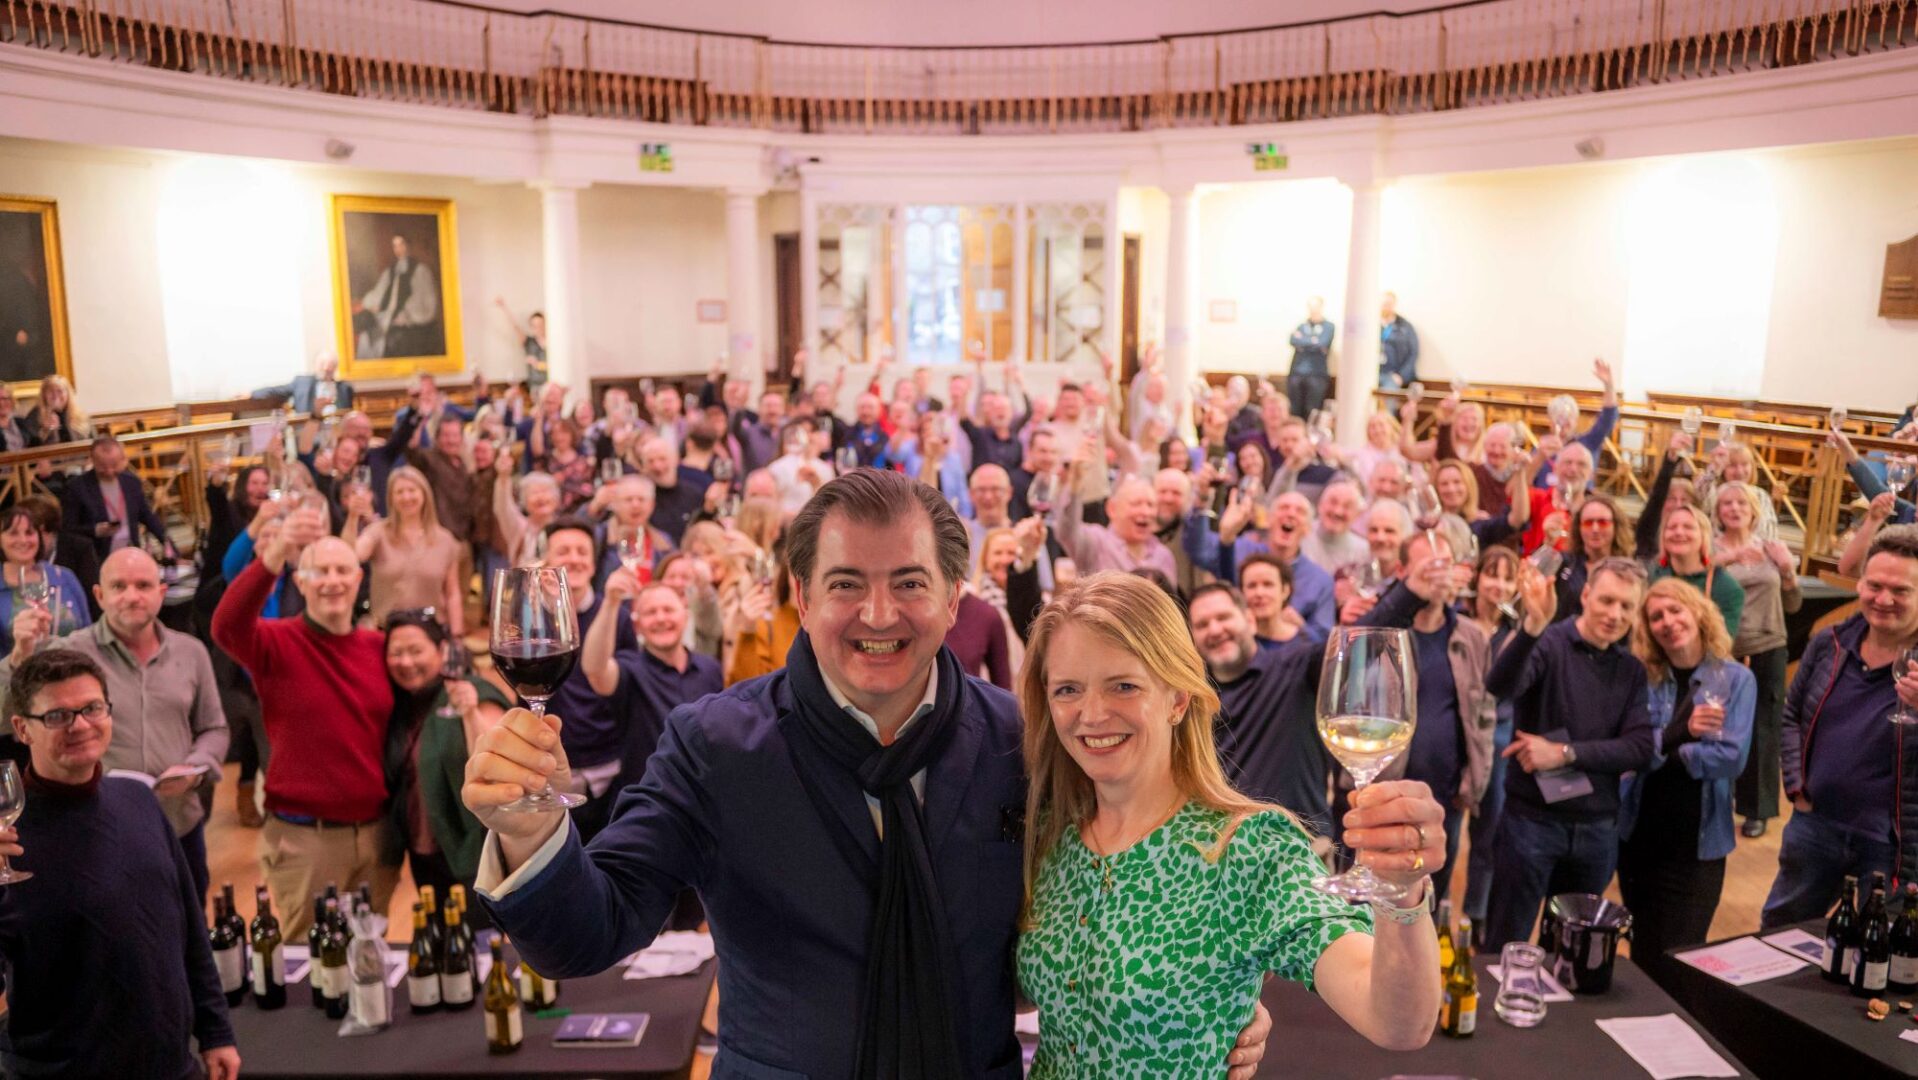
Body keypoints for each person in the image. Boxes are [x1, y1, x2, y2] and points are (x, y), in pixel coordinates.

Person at [466, 468, 1281, 1080]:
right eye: (847, 585)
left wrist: (1206, 1002)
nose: (880, 615)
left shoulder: (1023, 739)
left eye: (910, 584)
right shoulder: (712, 745)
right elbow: (588, 934)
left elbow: (1120, 889)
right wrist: (532, 832)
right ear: (801, 594)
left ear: (957, 597)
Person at [1017, 572, 1444, 1073]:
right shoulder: (1047, 831)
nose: (1091, 714)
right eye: (1068, 689)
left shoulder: (1247, 848)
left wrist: (1402, 890)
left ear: (1178, 698)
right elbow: (1029, 993)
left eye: (1124, 686)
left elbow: (1397, 1022)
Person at [0, 648, 241, 1080]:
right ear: (22, 729)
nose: (80, 726)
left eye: (92, 708)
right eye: (57, 715)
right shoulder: (7, 842)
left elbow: (188, 927)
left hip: (171, 1066)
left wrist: (216, 1030)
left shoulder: (138, 800)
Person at [2, 547, 227, 901]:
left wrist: (198, 767)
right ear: (99, 595)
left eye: (142, 585)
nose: (132, 596)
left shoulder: (191, 652)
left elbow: (214, 727)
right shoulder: (70, 655)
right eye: (119, 586)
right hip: (101, 828)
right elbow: (8, 713)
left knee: (190, 921)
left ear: (161, 593)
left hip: (180, 821)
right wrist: (18, 655)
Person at [212, 508, 397, 938]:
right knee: (316, 966)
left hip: (376, 836)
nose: (332, 580)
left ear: (358, 578)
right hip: (305, 841)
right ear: (300, 582)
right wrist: (277, 552)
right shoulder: (275, 643)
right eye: (319, 571)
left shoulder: (379, 647)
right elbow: (226, 626)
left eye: (342, 570)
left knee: (371, 958)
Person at [1482, 556, 1654, 951]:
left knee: (1570, 950)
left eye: (1626, 606)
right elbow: (1500, 684)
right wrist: (1531, 627)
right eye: (1607, 601)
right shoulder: (1549, 642)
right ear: (1587, 595)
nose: (1615, 614)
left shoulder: (1630, 669)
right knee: (1504, 941)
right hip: (1532, 824)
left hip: (1596, 831)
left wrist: (1564, 753)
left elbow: (1640, 747)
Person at [1185, 561, 1433, 833]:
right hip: (1220, 857)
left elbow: (1356, 643)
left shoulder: (1296, 669)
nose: (1215, 629)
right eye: (1202, 624)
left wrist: (1411, 593)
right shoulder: (1189, 703)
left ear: (1250, 619)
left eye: (1223, 617)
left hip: (1300, 852)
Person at [1763, 526, 1918, 927]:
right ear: (1860, 583)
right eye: (1874, 585)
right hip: (1815, 826)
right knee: (1780, 935)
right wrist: (1796, 787)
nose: (1883, 599)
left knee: (1871, 955)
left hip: (1891, 847)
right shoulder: (1829, 643)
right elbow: (1792, 715)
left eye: (1900, 590)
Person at [1618, 578, 1755, 990]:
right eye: (1656, 616)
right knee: (1641, 949)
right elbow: (1630, 750)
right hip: (1639, 837)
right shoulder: (1643, 678)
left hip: (1697, 844)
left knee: (1682, 956)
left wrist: (1666, 751)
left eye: (1675, 610)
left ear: (1698, 611)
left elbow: (1730, 758)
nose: (1667, 622)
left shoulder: (1734, 680)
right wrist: (1681, 734)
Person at [380, 609, 510, 912]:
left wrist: (470, 712)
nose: (406, 662)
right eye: (396, 652)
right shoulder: (399, 706)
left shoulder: (471, 691)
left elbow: (498, 763)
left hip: (472, 856)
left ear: (441, 651)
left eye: (416, 650)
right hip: (422, 852)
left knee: (476, 945)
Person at [1711, 481, 1800, 839]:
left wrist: (1788, 572)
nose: (1733, 509)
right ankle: (1717, 799)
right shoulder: (1708, 551)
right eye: (1726, 503)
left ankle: (1758, 809)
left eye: (1740, 503)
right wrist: (1725, 560)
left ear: (1753, 510)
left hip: (1768, 644)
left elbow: (1793, 605)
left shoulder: (1772, 548)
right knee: (1718, 724)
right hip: (1723, 648)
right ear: (1718, 512)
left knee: (1764, 726)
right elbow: (1697, 589)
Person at [581, 575, 722, 792]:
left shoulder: (709, 669)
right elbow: (594, 668)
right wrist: (611, 603)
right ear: (637, 626)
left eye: (668, 610)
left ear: (685, 617)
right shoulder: (630, 669)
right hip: (648, 799)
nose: (660, 618)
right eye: (650, 612)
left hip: (704, 795)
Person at [1460, 546, 1522, 939]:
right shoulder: (1459, 623)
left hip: (1499, 738)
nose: (1498, 585)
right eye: (1492, 574)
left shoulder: (1517, 633)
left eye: (1507, 577)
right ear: (1477, 578)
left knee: (1488, 836)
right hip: (1459, 735)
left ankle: (1475, 917)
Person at [346, 465, 464, 635]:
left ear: (424, 493)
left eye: (412, 490)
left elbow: (453, 594)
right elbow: (351, 555)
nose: (406, 497)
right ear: (391, 498)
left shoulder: (446, 540)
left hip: (430, 634)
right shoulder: (378, 532)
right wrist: (352, 516)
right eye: (399, 492)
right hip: (385, 633)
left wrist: (457, 637)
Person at [61, 435, 176, 576]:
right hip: (98, 558)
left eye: (114, 465)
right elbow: (67, 530)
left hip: (131, 554)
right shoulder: (77, 488)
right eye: (103, 467)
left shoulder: (132, 483)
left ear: (123, 460)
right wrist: (95, 530)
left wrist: (168, 543)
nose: (109, 471)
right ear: (92, 461)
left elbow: (147, 516)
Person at [1052, 471, 1177, 579]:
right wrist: (1074, 485)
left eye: (1150, 505)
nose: (1145, 512)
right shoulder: (1096, 542)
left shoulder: (1163, 555)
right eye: (1136, 504)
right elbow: (1066, 530)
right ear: (1112, 509)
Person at [1648, 503, 1745, 639]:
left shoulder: (1726, 587)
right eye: (1672, 527)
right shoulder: (1649, 576)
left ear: (1703, 536)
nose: (1679, 532)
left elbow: (1722, 644)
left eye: (1688, 527)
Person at [0, 506, 87, 656]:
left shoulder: (65, 577)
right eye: (13, 533)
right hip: (16, 675)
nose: (23, 540)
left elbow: (87, 631)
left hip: (73, 671)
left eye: (29, 533)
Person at [355, 233, 442, 359]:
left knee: (392, 336)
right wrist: (373, 305)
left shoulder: (420, 270)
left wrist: (407, 316)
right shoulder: (390, 271)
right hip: (387, 315)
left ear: (408, 246)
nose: (398, 249)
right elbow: (379, 291)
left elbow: (427, 302)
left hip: (407, 317)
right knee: (366, 336)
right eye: (395, 246)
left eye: (401, 245)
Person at [1553, 493, 1635, 622]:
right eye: (1588, 523)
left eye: (1603, 523)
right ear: (1578, 528)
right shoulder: (1563, 563)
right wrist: (1548, 542)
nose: (1595, 529)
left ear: (1615, 526)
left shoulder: (1630, 570)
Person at [1305, 479, 1369, 570]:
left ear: (1357, 515)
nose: (1338, 511)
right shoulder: (1300, 536)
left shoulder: (1363, 552)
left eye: (1347, 506)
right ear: (1320, 505)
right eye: (1333, 502)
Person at [1286, 296, 1334, 418]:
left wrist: (1303, 342)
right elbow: (1293, 340)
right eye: (1311, 307)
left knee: (1312, 411)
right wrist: (1313, 342)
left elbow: (1323, 343)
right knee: (1295, 411)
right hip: (1297, 374)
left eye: (1316, 307)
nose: (1314, 310)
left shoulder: (1328, 327)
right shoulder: (1302, 326)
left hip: (1317, 375)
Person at [492, 297, 547, 391]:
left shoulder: (554, 343)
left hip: (550, 384)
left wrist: (537, 364)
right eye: (535, 326)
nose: (538, 328)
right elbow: (515, 327)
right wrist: (504, 307)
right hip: (536, 386)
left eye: (541, 325)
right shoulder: (529, 342)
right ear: (531, 327)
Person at [23, 374, 87, 446]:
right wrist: (47, 430)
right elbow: (31, 447)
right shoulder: (35, 415)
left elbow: (89, 442)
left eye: (59, 391)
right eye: (50, 391)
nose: (55, 395)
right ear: (44, 395)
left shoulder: (79, 415)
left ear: (68, 394)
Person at [1377, 292, 1419, 389]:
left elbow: (1413, 353)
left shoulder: (1405, 327)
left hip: (1394, 375)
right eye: (1383, 304)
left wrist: (1401, 376)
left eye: (1388, 304)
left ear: (1393, 305)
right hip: (1376, 373)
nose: (1385, 307)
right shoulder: (1373, 325)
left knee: (1389, 392)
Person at [0, 382, 34, 451]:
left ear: (12, 400)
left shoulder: (20, 422)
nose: (1, 403)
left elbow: (35, 444)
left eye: (5, 398)